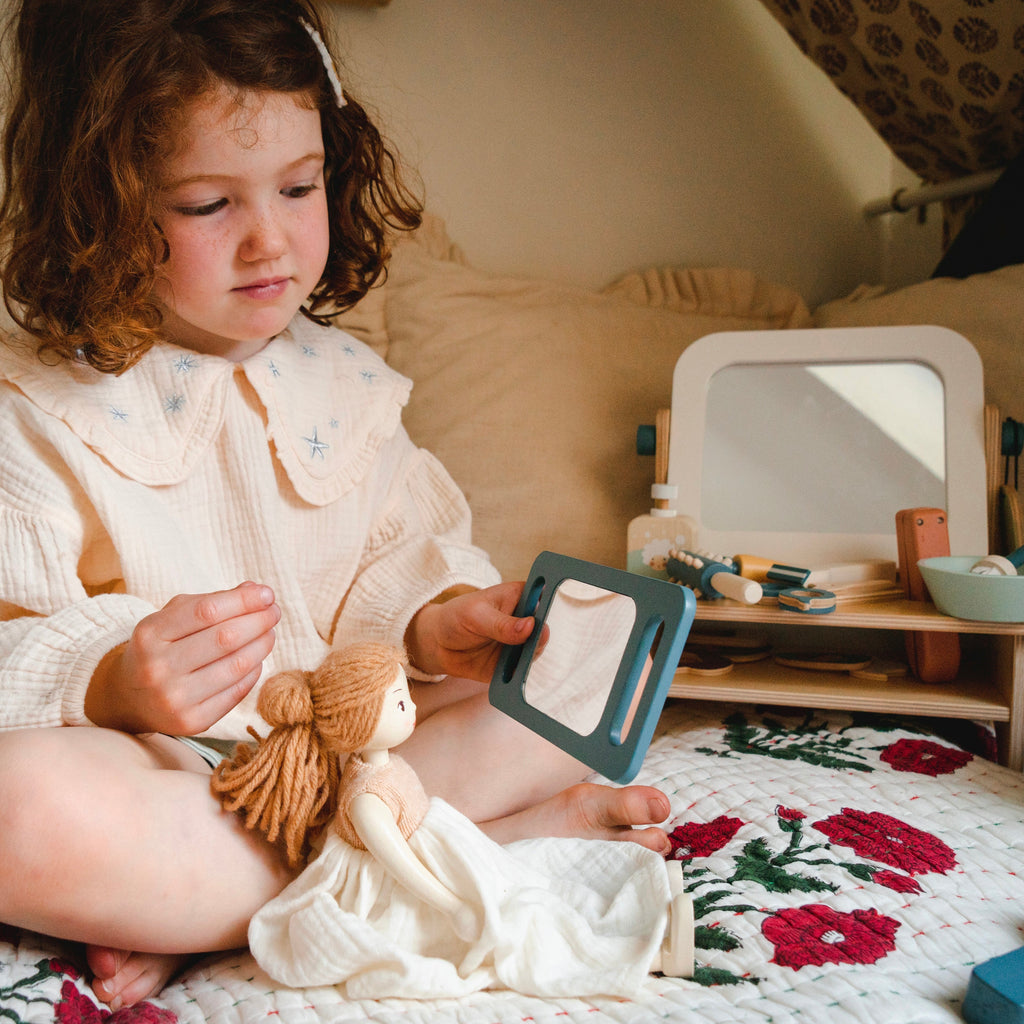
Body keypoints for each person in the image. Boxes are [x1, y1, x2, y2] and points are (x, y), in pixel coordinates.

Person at [0, 0, 674, 1012]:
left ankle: (214, 910)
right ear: (98, 200)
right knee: (15, 806)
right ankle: (449, 848)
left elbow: (399, 559)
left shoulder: (344, 384)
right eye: (206, 204)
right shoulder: (36, 402)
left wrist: (439, 623)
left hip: (365, 749)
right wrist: (111, 682)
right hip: (187, 779)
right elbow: (12, 636)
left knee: (602, 655)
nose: (269, 239)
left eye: (299, 186)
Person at [216, 643, 692, 998]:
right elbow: (397, 864)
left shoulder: (378, 766)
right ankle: (514, 837)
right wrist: (450, 903)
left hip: (425, 806)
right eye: (400, 703)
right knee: (506, 915)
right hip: (397, 846)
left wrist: (429, 634)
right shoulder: (364, 799)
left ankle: (495, 832)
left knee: (620, 659)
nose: (410, 707)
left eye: (406, 698)